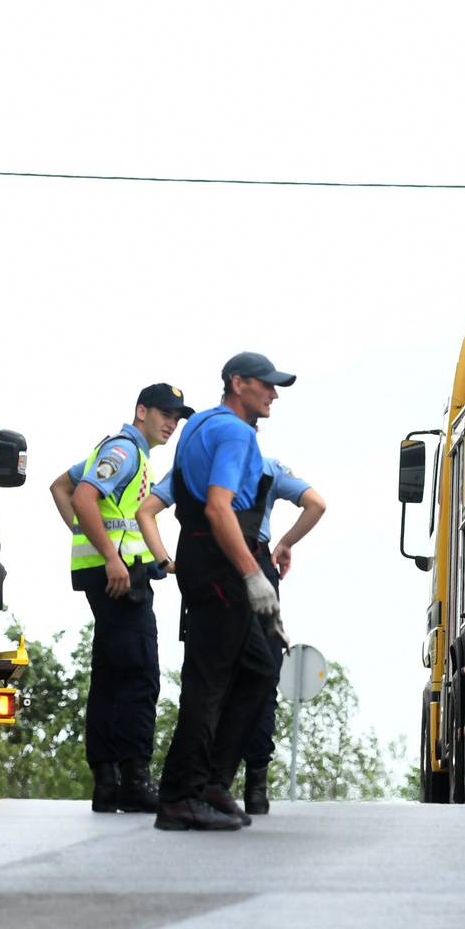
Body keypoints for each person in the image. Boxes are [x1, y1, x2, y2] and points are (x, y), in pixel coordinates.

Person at [154, 352, 295, 832]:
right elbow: (219, 509)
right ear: (238, 383)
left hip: (202, 556)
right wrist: (253, 576)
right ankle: (180, 795)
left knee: (257, 669)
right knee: (209, 682)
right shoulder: (235, 432)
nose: (274, 394)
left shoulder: (201, 426)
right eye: (266, 385)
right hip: (220, 561)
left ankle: (213, 780)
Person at [141, 456, 327, 814]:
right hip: (255, 564)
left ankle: (198, 781)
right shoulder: (268, 468)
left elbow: (146, 511)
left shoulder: (192, 468)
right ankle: (255, 787)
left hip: (205, 565)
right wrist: (285, 543)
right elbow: (316, 503)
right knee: (262, 675)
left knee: (205, 679)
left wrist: (166, 562)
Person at [49, 383, 193, 813]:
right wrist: (110, 556)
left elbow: (60, 487)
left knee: (111, 675)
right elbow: (82, 497)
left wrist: (98, 545)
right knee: (140, 676)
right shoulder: (125, 450)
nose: (171, 423)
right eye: (165, 413)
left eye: (177, 417)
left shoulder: (124, 451)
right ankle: (133, 780)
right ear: (141, 410)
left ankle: (108, 782)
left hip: (118, 573)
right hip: (119, 580)